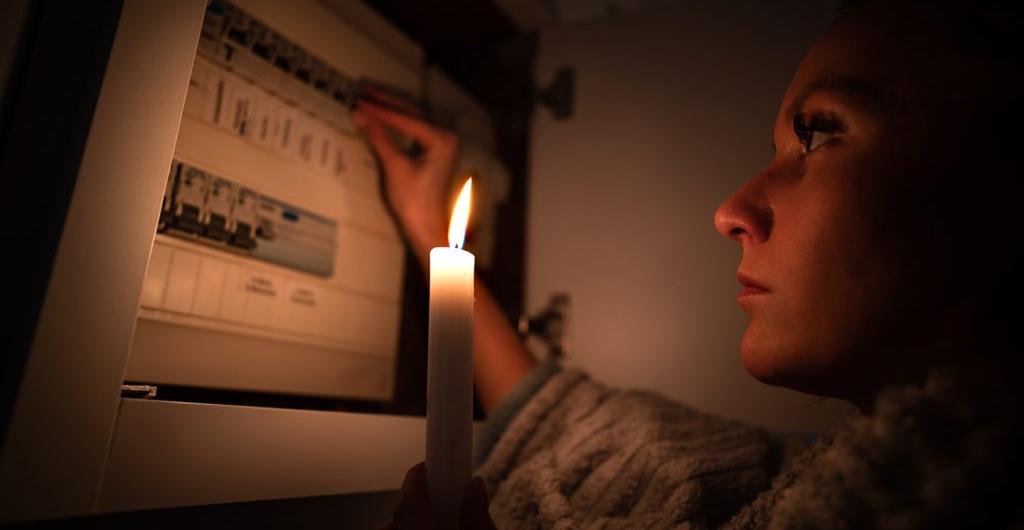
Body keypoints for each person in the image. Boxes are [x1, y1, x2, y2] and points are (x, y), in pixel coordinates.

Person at [362, 0, 1024, 527]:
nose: (730, 212)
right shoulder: (803, 471)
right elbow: (585, 426)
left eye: (818, 134)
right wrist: (430, 231)